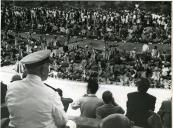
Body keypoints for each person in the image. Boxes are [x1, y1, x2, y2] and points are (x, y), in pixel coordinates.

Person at [6, 50, 67, 128]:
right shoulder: (52, 94)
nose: (49, 70)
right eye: (48, 67)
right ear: (43, 68)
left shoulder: (11, 88)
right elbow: (62, 122)